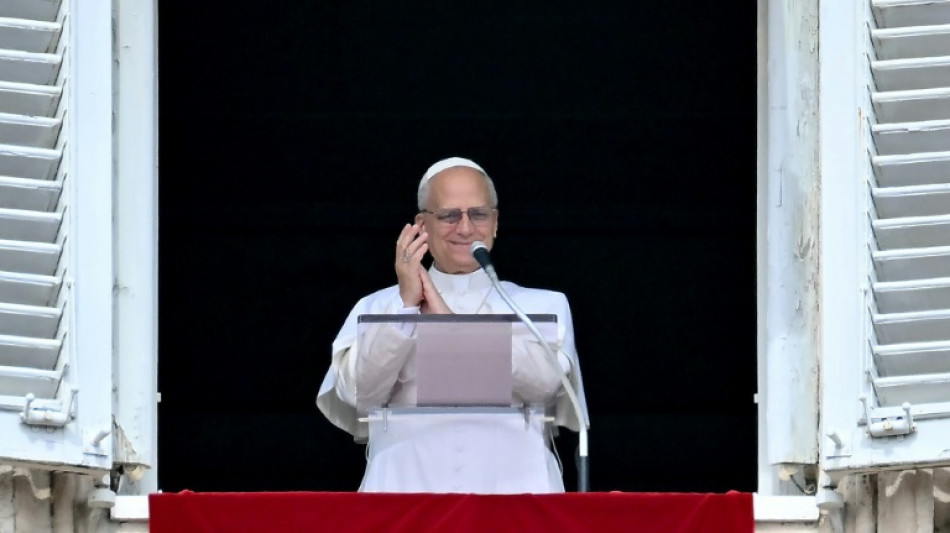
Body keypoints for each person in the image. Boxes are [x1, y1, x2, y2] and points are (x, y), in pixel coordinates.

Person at [316, 157, 587, 493]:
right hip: (405, 493)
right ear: (421, 225)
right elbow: (359, 393)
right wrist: (405, 310)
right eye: (448, 215)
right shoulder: (378, 306)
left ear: (496, 222)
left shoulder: (541, 306)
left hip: (517, 493)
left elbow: (545, 385)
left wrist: (447, 323)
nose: (465, 228)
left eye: (478, 214)